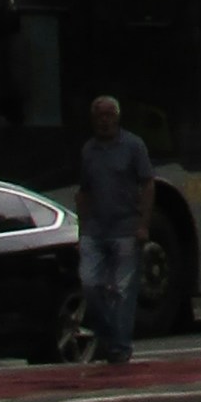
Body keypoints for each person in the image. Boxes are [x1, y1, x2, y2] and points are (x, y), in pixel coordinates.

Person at [72, 93, 156, 371]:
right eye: (99, 116)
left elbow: (147, 184)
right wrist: (81, 231)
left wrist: (142, 224)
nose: (104, 121)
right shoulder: (88, 150)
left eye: (109, 115)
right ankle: (111, 335)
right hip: (95, 230)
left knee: (122, 291)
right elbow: (83, 192)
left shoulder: (133, 146)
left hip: (125, 228)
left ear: (117, 117)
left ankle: (119, 348)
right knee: (90, 284)